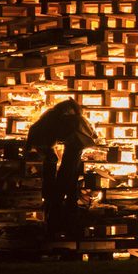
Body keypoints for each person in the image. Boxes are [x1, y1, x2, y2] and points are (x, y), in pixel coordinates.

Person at [27, 99, 98, 234]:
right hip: (60, 149)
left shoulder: (54, 115)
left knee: (58, 170)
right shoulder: (73, 120)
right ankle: (59, 207)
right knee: (62, 174)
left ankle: (56, 205)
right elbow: (90, 134)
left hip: (52, 147)